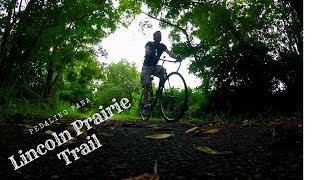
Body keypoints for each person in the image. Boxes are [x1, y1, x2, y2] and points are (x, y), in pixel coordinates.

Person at [140, 30, 181, 116]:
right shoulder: (150, 43)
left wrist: (177, 57)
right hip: (147, 67)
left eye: (160, 35)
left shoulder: (162, 46)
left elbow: (170, 53)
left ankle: (159, 91)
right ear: (154, 37)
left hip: (155, 66)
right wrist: (148, 53)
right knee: (146, 84)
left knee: (163, 70)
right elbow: (146, 50)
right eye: (157, 35)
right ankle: (145, 105)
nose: (159, 36)